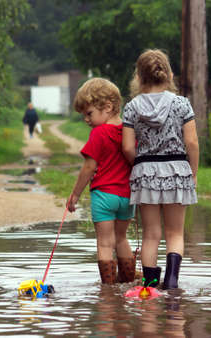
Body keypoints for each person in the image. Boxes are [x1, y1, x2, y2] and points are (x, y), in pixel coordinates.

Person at [122, 49, 199, 290]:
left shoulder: (132, 107)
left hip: (146, 172)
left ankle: (150, 286)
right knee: (175, 233)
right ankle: (173, 283)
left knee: (151, 235)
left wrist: (143, 165)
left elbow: (126, 147)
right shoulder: (181, 104)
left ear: (139, 76)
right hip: (177, 170)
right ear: (168, 74)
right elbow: (192, 143)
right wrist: (193, 173)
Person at [67, 78, 136, 285]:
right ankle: (127, 283)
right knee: (122, 239)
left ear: (107, 107)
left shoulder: (99, 133)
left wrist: (76, 194)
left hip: (104, 196)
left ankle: (108, 290)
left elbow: (89, 166)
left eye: (89, 114)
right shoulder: (129, 131)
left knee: (105, 243)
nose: (86, 120)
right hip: (127, 196)